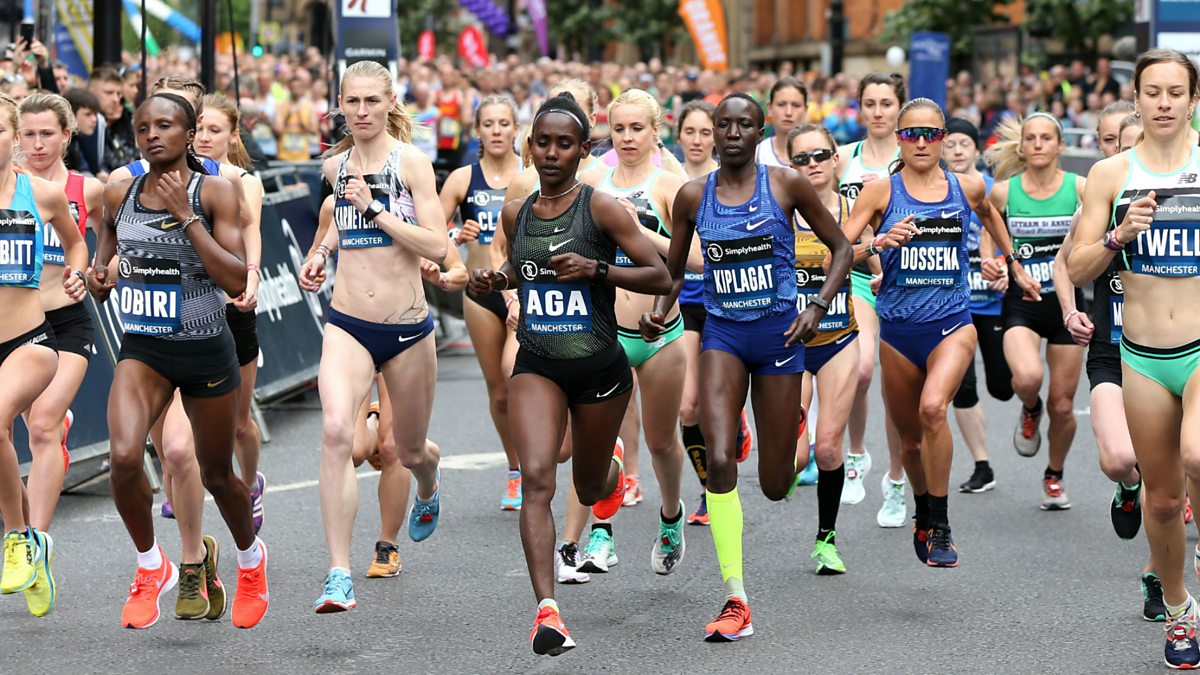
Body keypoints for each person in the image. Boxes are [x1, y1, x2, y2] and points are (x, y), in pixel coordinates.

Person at [467, 91, 671, 656]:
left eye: (565, 144)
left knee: (589, 485)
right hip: (537, 362)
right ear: (529, 149)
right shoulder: (517, 212)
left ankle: (608, 468)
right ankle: (548, 612)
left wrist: (597, 269)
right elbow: (517, 268)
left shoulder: (602, 209)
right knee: (537, 477)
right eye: (543, 143)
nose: (552, 153)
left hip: (599, 368)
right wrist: (496, 282)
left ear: (584, 150)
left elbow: (662, 276)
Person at [643, 92, 851, 642]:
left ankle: (787, 428)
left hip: (781, 336)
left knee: (778, 484)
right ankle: (736, 597)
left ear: (761, 133)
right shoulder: (692, 197)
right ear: (711, 132)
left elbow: (842, 249)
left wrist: (816, 305)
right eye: (724, 125)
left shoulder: (786, 185)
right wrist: (659, 313)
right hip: (724, 336)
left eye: (745, 125)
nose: (733, 133)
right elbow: (674, 274)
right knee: (718, 456)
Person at [87, 93, 268, 629]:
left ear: (189, 134)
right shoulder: (117, 194)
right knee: (124, 457)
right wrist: (99, 278)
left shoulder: (215, 191)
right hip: (143, 347)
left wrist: (187, 217)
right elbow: (104, 269)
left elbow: (236, 280)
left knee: (216, 474)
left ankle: (250, 560)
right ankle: (151, 565)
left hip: (206, 346)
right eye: (143, 128)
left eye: (164, 125)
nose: (151, 135)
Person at [842, 98, 1040, 569]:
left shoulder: (966, 186)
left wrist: (1011, 264)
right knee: (910, 443)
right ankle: (924, 513)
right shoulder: (879, 193)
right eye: (911, 134)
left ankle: (943, 522)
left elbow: (990, 214)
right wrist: (878, 243)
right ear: (899, 138)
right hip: (898, 331)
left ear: (943, 136)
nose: (922, 142)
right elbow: (838, 249)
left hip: (953, 323)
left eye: (931, 133)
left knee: (934, 409)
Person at [1067, 50, 1200, 669]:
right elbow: (1076, 266)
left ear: (1194, 99)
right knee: (1166, 500)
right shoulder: (1110, 174)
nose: (1165, 102)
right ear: (1138, 99)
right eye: (1153, 92)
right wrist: (1120, 235)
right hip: (1142, 356)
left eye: (1177, 91)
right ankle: (1178, 608)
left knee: (1198, 453)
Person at [297, 60, 446, 613]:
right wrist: (316, 260)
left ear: (389, 104)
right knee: (337, 433)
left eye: (370, 102)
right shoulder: (334, 168)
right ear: (340, 104)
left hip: (406, 329)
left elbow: (437, 247)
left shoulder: (411, 163)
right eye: (351, 102)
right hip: (347, 325)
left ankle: (429, 481)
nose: (360, 112)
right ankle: (339, 572)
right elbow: (328, 231)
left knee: (406, 450)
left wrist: (377, 209)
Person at [1053, 102, 1168, 621]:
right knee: (1122, 459)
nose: (1127, 154)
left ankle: (1156, 571)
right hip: (1110, 352)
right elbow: (1065, 265)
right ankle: (1127, 486)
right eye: (1117, 145)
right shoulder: (1100, 203)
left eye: (1134, 143)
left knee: (1169, 480)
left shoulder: (1180, 201)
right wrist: (1071, 312)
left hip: (1168, 351)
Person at [578, 88, 690, 576]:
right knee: (603, 440)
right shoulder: (592, 180)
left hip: (661, 334)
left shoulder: (670, 185)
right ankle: (601, 532)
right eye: (618, 129)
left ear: (654, 130)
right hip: (606, 332)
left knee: (663, 440)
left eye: (636, 129)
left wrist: (635, 230)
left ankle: (671, 515)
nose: (626, 138)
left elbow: (698, 257)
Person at [0, 91, 87, 616]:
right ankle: (29, 544)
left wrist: (78, 270)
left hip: (31, 341)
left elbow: (76, 243)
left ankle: (18, 538)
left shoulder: (43, 193)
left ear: (10, 136)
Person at [15, 93, 104, 598]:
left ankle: (36, 543)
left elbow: (99, 239)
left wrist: (88, 272)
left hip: (66, 322)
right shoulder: (8, 188)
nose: (38, 144)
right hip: (16, 328)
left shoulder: (84, 188)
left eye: (48, 133)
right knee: (27, 426)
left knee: (44, 427)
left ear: (68, 135)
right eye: (28, 134)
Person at [985, 112, 1086, 510]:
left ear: (1061, 146)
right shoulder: (1004, 193)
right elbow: (986, 229)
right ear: (1022, 147)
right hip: (1021, 304)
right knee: (1027, 377)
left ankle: (1054, 474)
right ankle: (1030, 408)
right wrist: (991, 261)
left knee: (1063, 404)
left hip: (1067, 306)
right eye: (1032, 138)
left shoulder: (1080, 187)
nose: (1039, 144)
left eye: (1047, 138)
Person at [438, 94, 524, 510]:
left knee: (519, 379)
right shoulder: (461, 179)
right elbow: (432, 234)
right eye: (488, 124)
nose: (496, 131)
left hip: (525, 294)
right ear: (477, 131)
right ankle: (516, 469)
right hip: (480, 294)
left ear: (515, 129)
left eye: (503, 123)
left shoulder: (530, 176)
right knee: (501, 392)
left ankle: (539, 460)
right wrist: (457, 235)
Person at [786, 123, 858, 572]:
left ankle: (826, 539)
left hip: (838, 338)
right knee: (793, 459)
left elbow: (868, 253)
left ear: (835, 159)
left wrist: (877, 250)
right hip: (791, 343)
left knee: (829, 449)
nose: (811, 165)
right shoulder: (778, 209)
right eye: (801, 159)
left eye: (819, 156)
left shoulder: (855, 206)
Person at [838, 72, 906, 527]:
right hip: (860, 276)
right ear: (860, 109)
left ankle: (897, 483)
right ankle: (856, 453)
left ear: (899, 107)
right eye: (870, 103)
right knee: (861, 370)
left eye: (886, 103)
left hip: (909, 280)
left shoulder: (915, 155)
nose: (878, 112)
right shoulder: (843, 158)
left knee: (899, 387)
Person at [196, 93, 267, 527]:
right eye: (199, 128)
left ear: (233, 135)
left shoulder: (243, 180)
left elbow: (250, 233)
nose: (204, 137)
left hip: (232, 304)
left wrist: (252, 279)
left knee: (239, 424)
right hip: (189, 309)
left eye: (214, 130)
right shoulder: (172, 175)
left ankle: (252, 480)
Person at [942, 117, 1012, 493]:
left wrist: (1002, 268)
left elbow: (1008, 238)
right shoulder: (934, 189)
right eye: (949, 143)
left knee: (1003, 386)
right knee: (963, 387)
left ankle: (1029, 405)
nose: (955, 150)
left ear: (976, 150)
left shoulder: (992, 190)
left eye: (963, 144)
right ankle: (982, 465)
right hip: (957, 306)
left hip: (993, 302)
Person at [675, 100, 719, 525]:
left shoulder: (730, 181)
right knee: (689, 409)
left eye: (706, 132)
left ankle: (732, 425)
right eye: (691, 131)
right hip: (686, 304)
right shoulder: (667, 181)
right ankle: (708, 487)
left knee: (715, 403)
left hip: (727, 304)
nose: (698, 140)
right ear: (679, 135)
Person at [756, 78, 807, 167]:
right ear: (769, 108)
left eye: (796, 105)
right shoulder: (757, 154)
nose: (788, 112)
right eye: (781, 104)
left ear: (805, 110)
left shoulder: (818, 153)